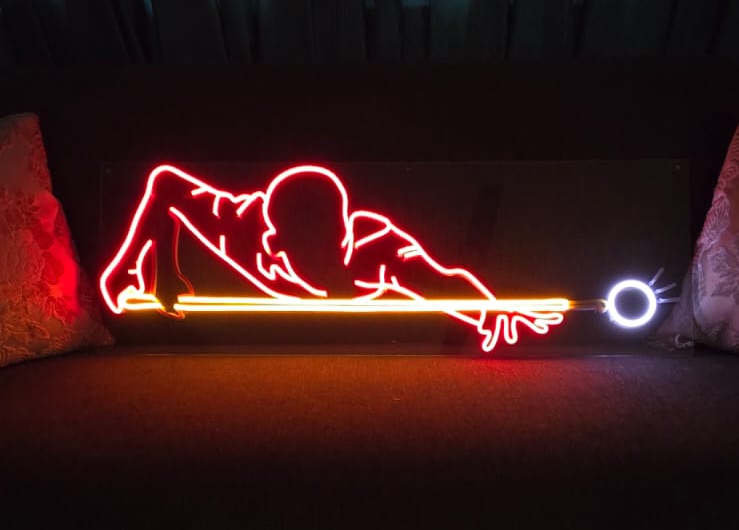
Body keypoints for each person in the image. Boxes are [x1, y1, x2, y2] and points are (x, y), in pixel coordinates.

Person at [100, 162, 565, 352]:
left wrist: (488, 309)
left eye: (323, 248)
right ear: (274, 241)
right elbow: (166, 185)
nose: (280, 255)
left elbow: (441, 280)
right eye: (295, 248)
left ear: (343, 239)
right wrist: (154, 270)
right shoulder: (244, 232)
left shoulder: (373, 249)